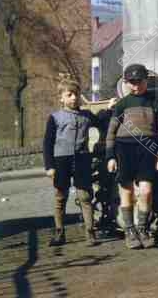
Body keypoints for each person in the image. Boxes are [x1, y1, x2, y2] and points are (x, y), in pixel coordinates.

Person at [105, 64, 158, 249]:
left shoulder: (156, 102)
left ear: (146, 81)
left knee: (146, 191)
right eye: (131, 83)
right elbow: (111, 131)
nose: (135, 86)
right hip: (124, 150)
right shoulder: (122, 104)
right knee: (126, 192)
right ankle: (129, 231)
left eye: (139, 82)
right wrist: (110, 156)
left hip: (147, 151)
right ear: (126, 83)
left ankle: (143, 228)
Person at [43, 76, 113, 247]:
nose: (74, 98)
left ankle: (90, 233)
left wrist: (109, 109)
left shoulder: (86, 115)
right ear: (61, 97)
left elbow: (101, 120)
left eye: (76, 94)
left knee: (85, 196)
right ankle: (59, 233)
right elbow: (47, 143)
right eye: (69, 95)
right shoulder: (55, 117)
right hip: (61, 160)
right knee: (61, 196)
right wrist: (49, 166)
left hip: (82, 159)